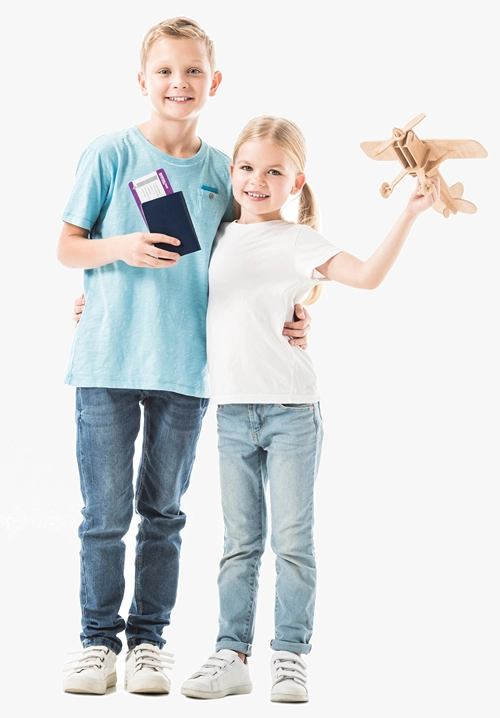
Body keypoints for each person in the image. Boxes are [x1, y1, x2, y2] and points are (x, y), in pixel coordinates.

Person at [58, 18, 311, 696]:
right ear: (143, 81)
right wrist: (119, 250)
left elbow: (262, 252)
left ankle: (148, 642)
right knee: (104, 515)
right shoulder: (109, 154)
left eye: (193, 71)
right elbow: (67, 246)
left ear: (214, 82)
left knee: (163, 513)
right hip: (107, 363)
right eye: (165, 71)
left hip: (189, 370)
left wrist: (301, 308)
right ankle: (95, 642)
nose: (179, 83)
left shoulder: (226, 172)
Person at [178, 115, 440, 703]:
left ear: (296, 183)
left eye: (275, 171)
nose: (258, 180)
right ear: (231, 172)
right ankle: (231, 653)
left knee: (292, 540)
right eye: (247, 167)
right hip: (230, 414)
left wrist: (409, 212)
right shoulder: (215, 236)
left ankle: (290, 657)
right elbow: (171, 284)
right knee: (238, 541)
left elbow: (367, 277)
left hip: (292, 411)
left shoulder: (298, 240)